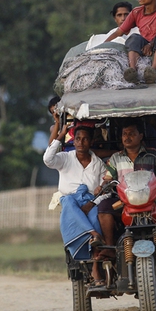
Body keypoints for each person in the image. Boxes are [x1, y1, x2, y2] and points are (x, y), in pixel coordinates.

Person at [95, 118, 156, 275]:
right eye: (124, 134)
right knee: (103, 208)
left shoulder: (155, 155)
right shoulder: (115, 158)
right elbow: (108, 177)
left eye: (132, 134)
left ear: (141, 135)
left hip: (152, 201)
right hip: (124, 202)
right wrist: (102, 186)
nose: (127, 137)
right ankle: (110, 248)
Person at [43, 123, 106, 286]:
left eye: (85, 139)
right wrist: (61, 134)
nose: (81, 142)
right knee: (69, 201)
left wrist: (93, 203)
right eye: (77, 139)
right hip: (70, 201)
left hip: (90, 202)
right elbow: (47, 159)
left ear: (91, 141)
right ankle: (93, 234)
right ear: (73, 140)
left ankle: (95, 266)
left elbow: (105, 191)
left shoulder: (98, 163)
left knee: (96, 217)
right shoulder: (65, 157)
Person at [104, 0, 156, 84]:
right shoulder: (136, 12)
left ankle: (152, 71)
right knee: (134, 38)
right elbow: (119, 32)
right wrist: (103, 46)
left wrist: (151, 45)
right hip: (145, 44)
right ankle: (133, 72)